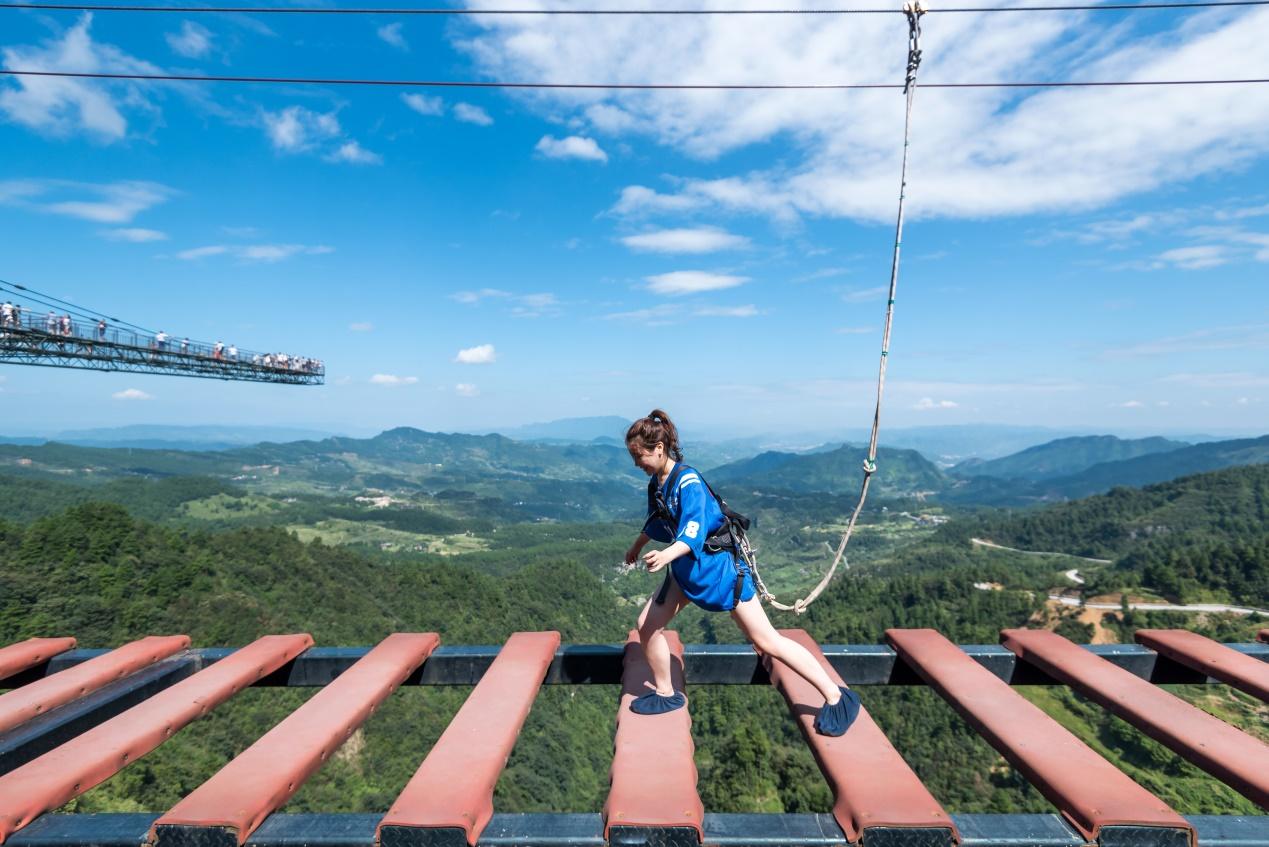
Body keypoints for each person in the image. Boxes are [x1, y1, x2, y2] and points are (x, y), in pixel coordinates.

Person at [623, 409, 861, 736]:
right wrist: (637, 547)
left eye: (640, 457)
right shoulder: (659, 482)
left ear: (659, 449)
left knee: (766, 640)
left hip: (720, 573)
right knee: (646, 625)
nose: (637, 464)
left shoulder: (688, 483)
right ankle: (665, 692)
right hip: (687, 570)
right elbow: (657, 520)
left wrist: (664, 555)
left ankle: (837, 696)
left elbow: (692, 533)